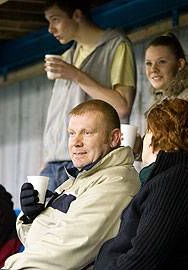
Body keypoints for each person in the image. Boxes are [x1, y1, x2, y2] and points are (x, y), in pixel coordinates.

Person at [3, 99, 140, 269]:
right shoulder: (80, 179)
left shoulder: (116, 183)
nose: (76, 142)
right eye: (72, 133)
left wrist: (10, 266)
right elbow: (41, 243)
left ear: (114, 138)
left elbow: (67, 250)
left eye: (87, 133)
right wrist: (31, 217)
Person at [94, 98, 188, 270]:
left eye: (147, 132)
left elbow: (142, 261)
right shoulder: (170, 178)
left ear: (155, 137)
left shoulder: (174, 184)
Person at [42, 0, 136, 191]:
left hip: (87, 162)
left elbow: (123, 106)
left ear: (77, 15)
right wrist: (46, 158)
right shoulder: (68, 56)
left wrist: (76, 75)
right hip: (53, 162)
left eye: (55, 20)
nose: (50, 29)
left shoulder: (116, 46)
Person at [144, 32, 188, 169]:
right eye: (148, 63)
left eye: (161, 62)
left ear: (180, 64)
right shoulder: (164, 99)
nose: (153, 69)